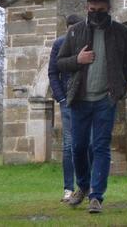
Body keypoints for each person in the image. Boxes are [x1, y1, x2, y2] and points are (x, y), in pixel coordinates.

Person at [56, 0, 127, 214]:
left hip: (105, 99)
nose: (96, 14)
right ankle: (82, 186)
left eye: (100, 10)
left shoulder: (121, 32)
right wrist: (78, 60)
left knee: (100, 146)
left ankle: (96, 196)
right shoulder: (76, 32)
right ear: (86, 8)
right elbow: (60, 62)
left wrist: (120, 87)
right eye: (92, 10)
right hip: (80, 99)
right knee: (79, 147)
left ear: (109, 8)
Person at [48, 13, 83, 203]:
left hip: (86, 99)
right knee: (69, 145)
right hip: (67, 101)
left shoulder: (89, 42)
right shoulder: (59, 44)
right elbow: (53, 72)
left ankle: (86, 187)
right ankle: (68, 189)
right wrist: (61, 97)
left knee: (89, 144)